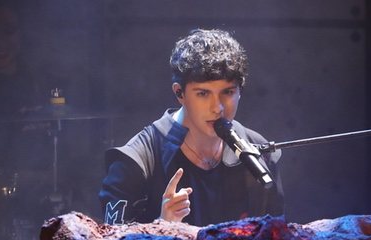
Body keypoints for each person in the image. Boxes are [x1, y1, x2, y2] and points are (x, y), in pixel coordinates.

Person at [99, 29, 284, 227]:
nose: (218, 108)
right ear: (180, 93)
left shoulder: (259, 152)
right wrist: (161, 226)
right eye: (203, 94)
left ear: (240, 90)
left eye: (228, 92)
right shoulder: (135, 162)